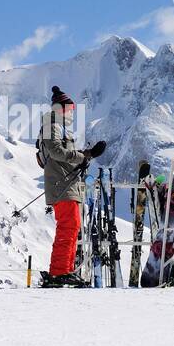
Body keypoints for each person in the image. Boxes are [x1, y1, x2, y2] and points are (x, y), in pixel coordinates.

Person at [37, 86, 105, 288]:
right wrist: (82, 156)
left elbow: (65, 154)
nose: (72, 113)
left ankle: (64, 270)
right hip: (61, 184)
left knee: (73, 226)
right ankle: (58, 272)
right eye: (70, 109)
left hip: (67, 183)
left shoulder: (57, 126)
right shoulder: (51, 124)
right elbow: (57, 151)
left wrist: (88, 154)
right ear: (61, 108)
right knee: (68, 226)